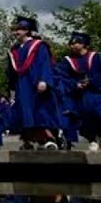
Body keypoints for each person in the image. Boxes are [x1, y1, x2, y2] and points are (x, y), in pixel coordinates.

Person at [7, 16, 60, 150]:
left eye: (18, 29)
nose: (15, 32)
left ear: (27, 31)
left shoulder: (39, 46)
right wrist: (12, 87)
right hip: (21, 85)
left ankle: (48, 139)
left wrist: (44, 80)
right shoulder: (14, 49)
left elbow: (44, 63)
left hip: (35, 84)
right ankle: (28, 140)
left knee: (39, 110)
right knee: (24, 112)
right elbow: (11, 70)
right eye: (15, 30)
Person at [55, 31, 101, 150]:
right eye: (71, 44)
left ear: (84, 44)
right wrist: (75, 84)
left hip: (96, 92)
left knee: (100, 115)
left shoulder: (96, 57)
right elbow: (61, 76)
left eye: (75, 43)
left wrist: (91, 82)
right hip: (79, 94)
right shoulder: (67, 61)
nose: (72, 46)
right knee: (86, 115)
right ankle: (92, 139)